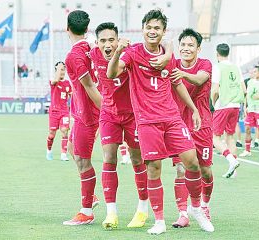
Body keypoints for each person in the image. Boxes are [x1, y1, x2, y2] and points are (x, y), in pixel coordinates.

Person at [107, 9, 214, 235]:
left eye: (157, 28)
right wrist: (117, 52)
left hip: (172, 118)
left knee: (192, 162)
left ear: (163, 31)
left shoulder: (169, 55)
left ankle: (196, 208)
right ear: (142, 29)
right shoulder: (133, 53)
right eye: (149, 27)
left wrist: (194, 109)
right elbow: (111, 73)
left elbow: (177, 83)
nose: (152, 31)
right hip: (146, 122)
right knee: (154, 169)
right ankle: (159, 221)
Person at [90, 22, 150, 229]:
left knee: (136, 159)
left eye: (111, 40)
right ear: (97, 43)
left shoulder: (130, 53)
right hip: (108, 114)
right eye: (103, 41)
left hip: (133, 114)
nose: (107, 45)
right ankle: (111, 213)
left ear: (118, 40)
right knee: (108, 157)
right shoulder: (93, 54)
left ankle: (143, 208)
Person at [169, 28, 214, 228]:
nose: (186, 49)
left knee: (205, 170)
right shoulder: (172, 64)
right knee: (181, 169)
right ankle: (183, 214)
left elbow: (199, 79)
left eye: (190, 45)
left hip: (202, 123)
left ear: (198, 48)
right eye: (183, 45)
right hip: (179, 124)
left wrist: (182, 73)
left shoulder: (205, 64)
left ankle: (204, 205)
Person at [62, 10, 102, 226]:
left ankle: (87, 210)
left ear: (66, 28)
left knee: (83, 160)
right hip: (79, 110)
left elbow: (90, 87)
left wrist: (108, 113)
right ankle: (91, 196)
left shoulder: (74, 57)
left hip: (88, 113)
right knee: (71, 148)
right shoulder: (89, 46)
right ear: (87, 28)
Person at [212, 43, 245, 177]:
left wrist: (213, 104)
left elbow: (215, 89)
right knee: (230, 136)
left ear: (217, 53)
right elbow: (244, 89)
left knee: (214, 137)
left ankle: (231, 160)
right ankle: (234, 169)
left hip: (223, 105)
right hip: (236, 105)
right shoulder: (236, 67)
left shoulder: (217, 67)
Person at [46, 62, 72, 161]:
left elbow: (72, 96)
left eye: (63, 69)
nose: (62, 72)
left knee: (64, 131)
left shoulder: (67, 83)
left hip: (64, 111)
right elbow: (55, 80)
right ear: (56, 70)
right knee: (52, 134)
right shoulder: (53, 80)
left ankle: (63, 154)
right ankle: (49, 150)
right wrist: (58, 68)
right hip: (54, 112)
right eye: (60, 69)